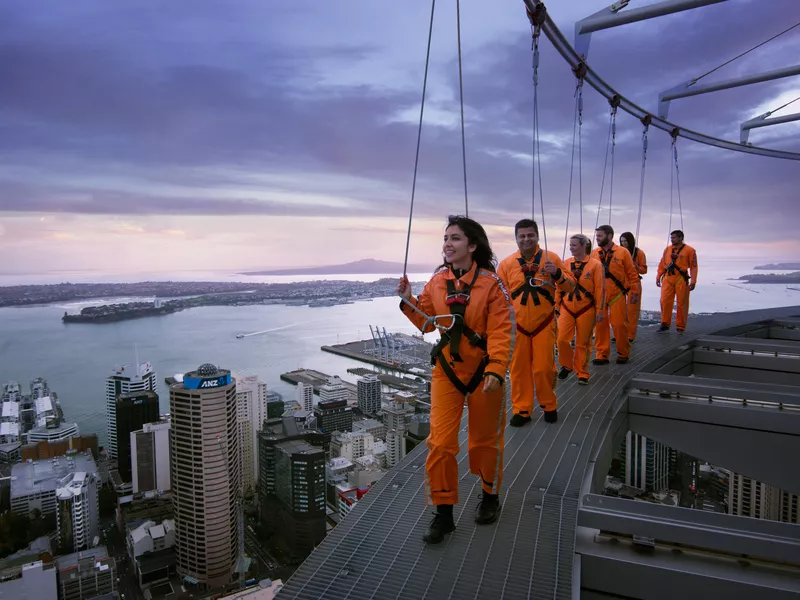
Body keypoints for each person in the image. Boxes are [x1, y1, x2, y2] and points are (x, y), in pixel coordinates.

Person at [397, 215, 514, 544]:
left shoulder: (492, 286)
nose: (447, 243)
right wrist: (407, 300)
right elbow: (427, 324)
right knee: (441, 443)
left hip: (483, 373)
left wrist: (495, 369)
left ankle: (489, 496)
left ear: (472, 246)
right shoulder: (436, 283)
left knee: (483, 441)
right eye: (446, 238)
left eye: (456, 238)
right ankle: (443, 512)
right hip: (447, 372)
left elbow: (503, 331)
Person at [497, 219, 575, 426]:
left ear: (537, 236)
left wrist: (557, 274)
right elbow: (499, 297)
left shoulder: (552, 259)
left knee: (543, 368)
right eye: (522, 236)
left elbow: (570, 287)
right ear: (516, 238)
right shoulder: (506, 265)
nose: (526, 239)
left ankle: (548, 404)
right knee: (518, 370)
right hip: (518, 327)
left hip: (544, 323)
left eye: (530, 235)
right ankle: (522, 410)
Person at [557, 234, 604, 385]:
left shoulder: (595, 265)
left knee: (582, 343)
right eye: (570, 245)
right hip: (567, 307)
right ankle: (566, 365)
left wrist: (600, 310)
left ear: (584, 246)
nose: (571, 248)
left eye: (574, 245)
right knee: (562, 340)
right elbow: (559, 285)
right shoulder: (565, 263)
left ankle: (582, 372)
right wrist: (556, 304)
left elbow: (600, 289)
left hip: (586, 308)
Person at [591, 225, 640, 365]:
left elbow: (632, 273)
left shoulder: (622, 252)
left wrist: (635, 291)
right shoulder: (595, 253)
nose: (597, 238)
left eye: (600, 236)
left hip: (617, 294)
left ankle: (623, 352)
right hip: (599, 295)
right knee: (600, 326)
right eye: (597, 236)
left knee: (619, 325)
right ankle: (602, 354)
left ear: (610, 236)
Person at [657, 229, 698, 332]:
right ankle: (665, 323)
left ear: (681, 238)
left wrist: (693, 281)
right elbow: (662, 264)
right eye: (671, 237)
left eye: (674, 237)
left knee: (682, 303)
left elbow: (693, 266)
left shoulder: (689, 250)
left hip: (681, 278)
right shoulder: (667, 250)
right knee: (664, 301)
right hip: (668, 277)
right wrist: (658, 276)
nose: (672, 239)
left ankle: (680, 326)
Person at [619, 232, 647, 343]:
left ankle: (630, 335)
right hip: (621, 283)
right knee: (620, 311)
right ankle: (619, 333)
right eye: (622, 241)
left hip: (634, 282)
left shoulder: (639, 253)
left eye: (625, 241)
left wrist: (636, 267)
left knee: (632, 310)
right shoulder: (619, 253)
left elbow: (644, 270)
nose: (623, 243)